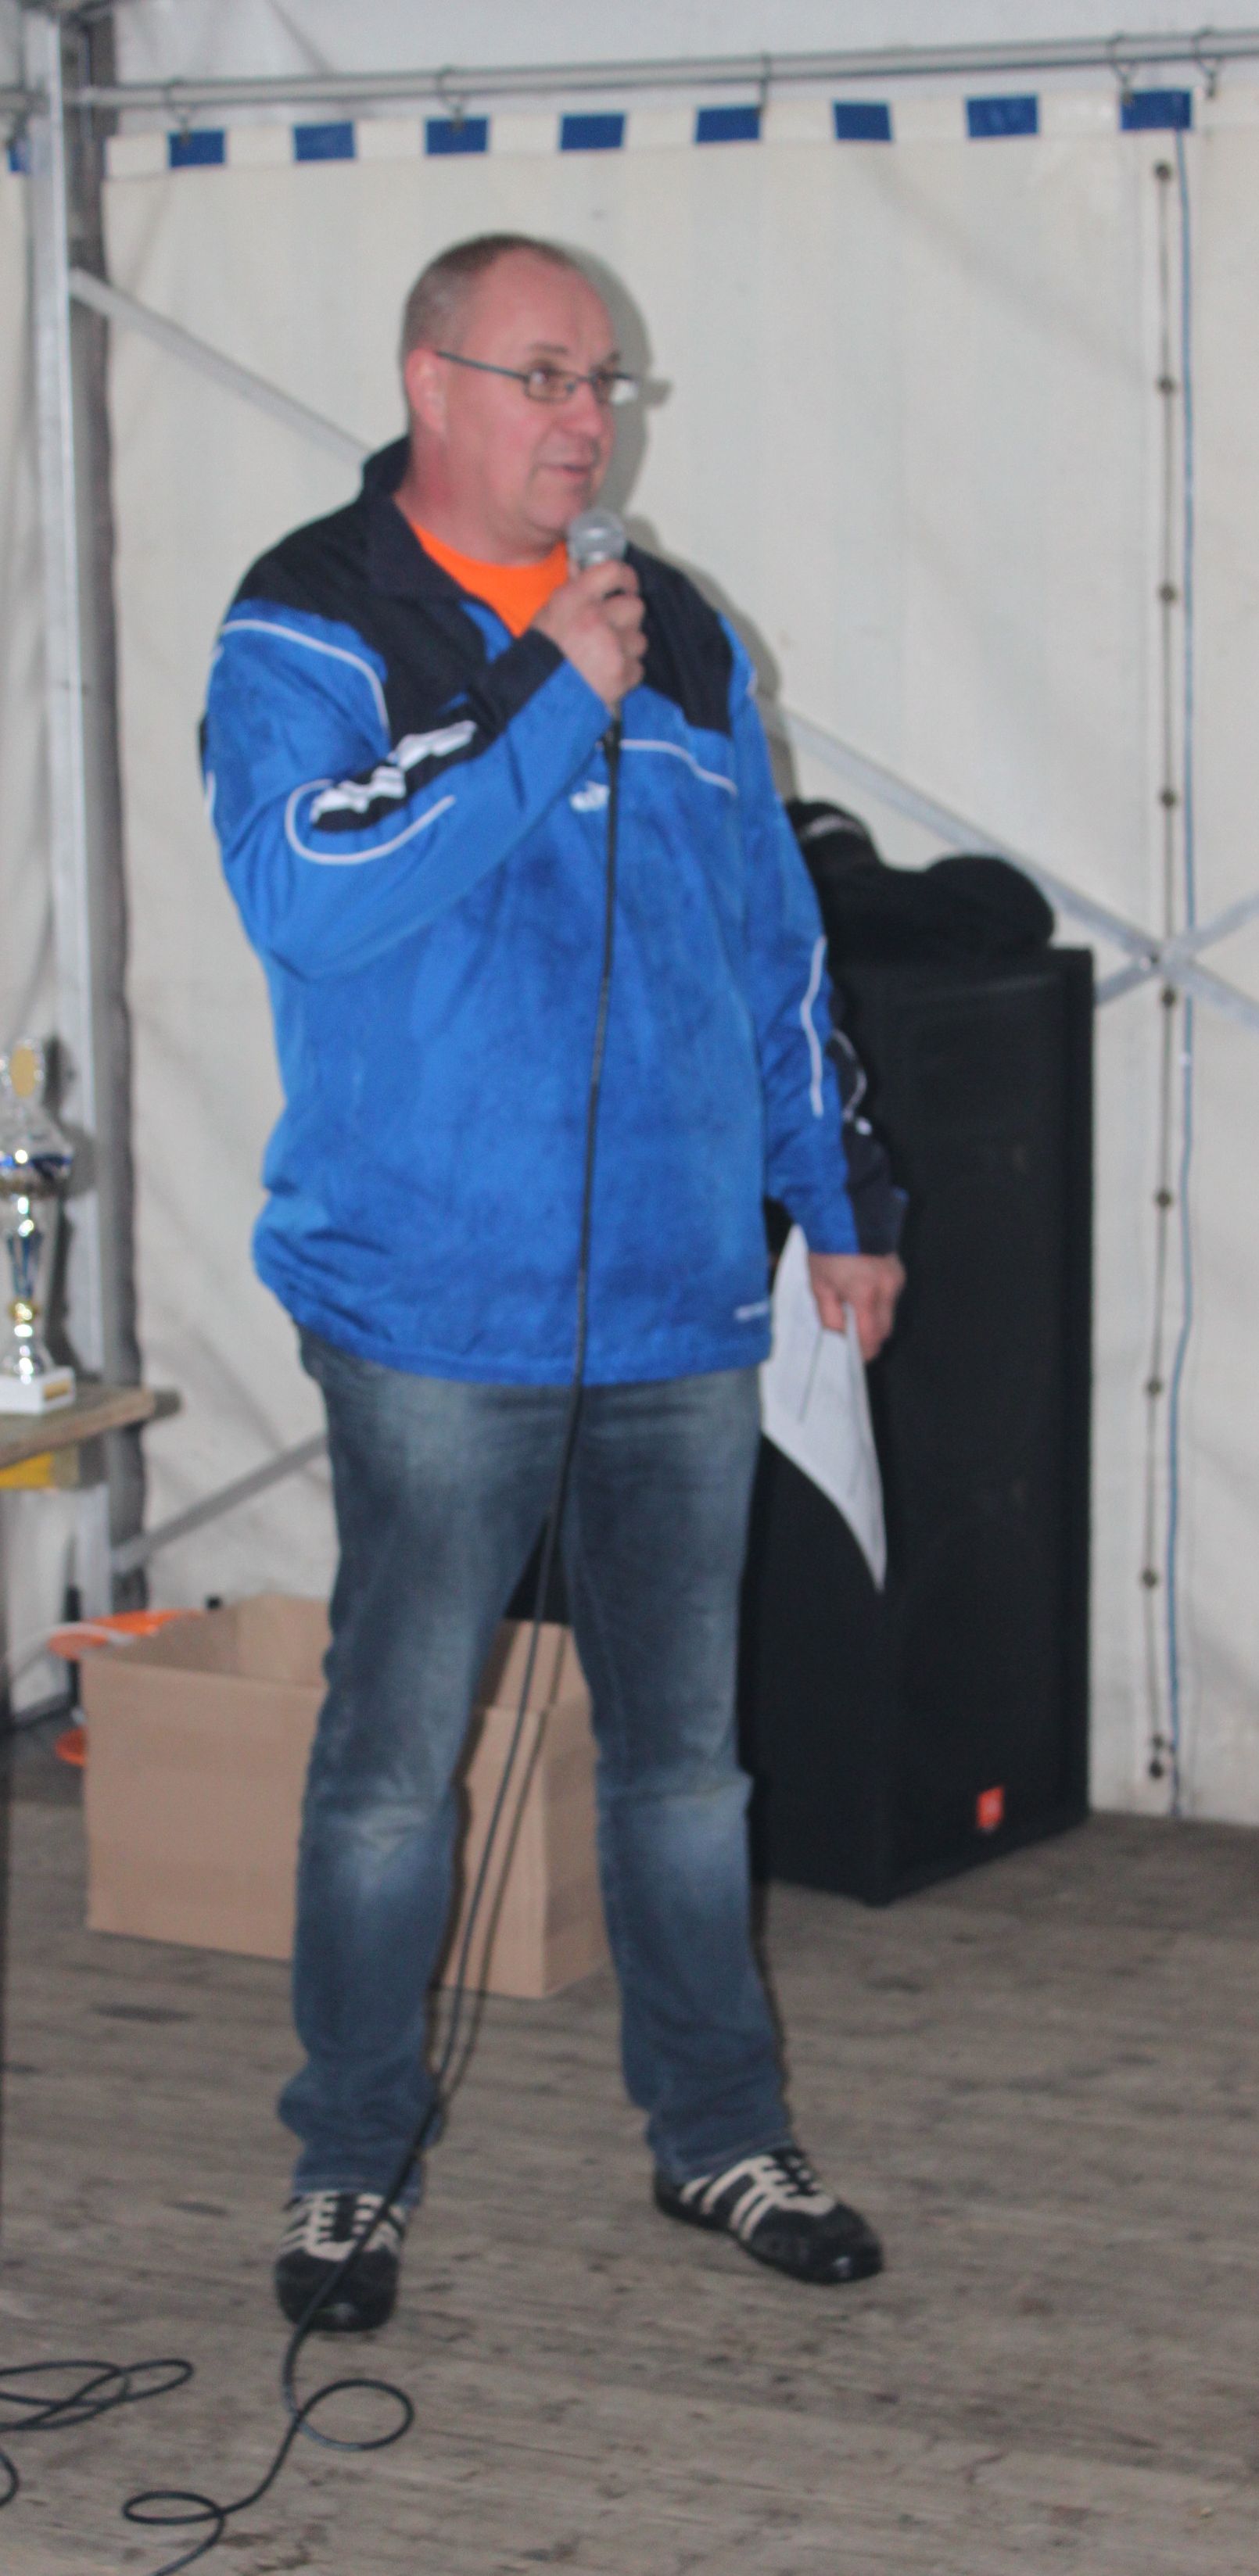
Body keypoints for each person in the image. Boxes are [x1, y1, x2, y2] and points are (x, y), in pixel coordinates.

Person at [203, 232, 905, 2333]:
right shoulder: (315, 615)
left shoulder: (679, 632)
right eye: (545, 376)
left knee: (687, 1768)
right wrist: (536, 694)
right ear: (429, 384)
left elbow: (769, 937)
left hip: (678, 1303)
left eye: (607, 382)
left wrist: (838, 1191)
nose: (588, 421)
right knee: (390, 1766)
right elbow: (309, 892)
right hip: (433, 1307)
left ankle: (719, 2135)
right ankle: (348, 2166)